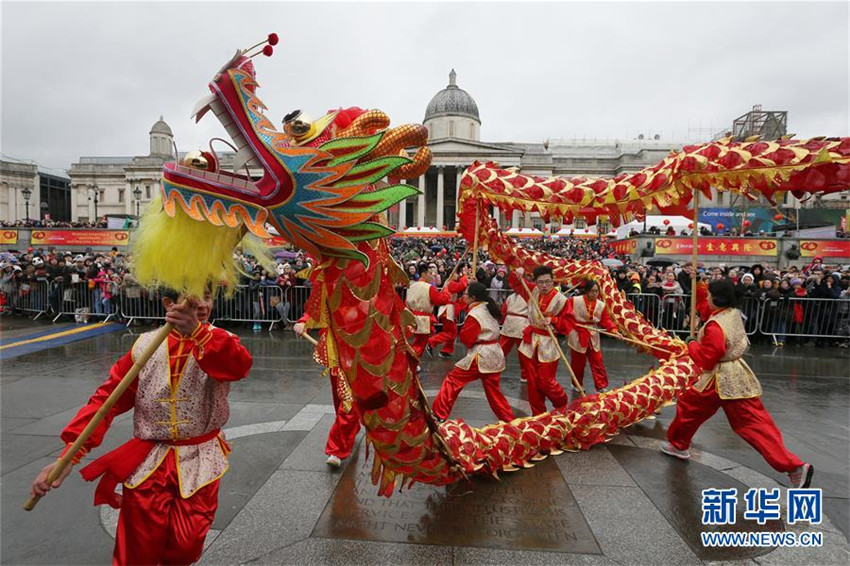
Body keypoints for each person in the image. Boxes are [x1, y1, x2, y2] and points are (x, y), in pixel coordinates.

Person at [30, 287, 253, 565]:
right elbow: (107, 401)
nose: (201, 304)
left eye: (206, 296)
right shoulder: (144, 346)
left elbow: (236, 366)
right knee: (139, 548)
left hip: (201, 460)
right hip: (150, 461)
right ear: (169, 304)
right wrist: (68, 456)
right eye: (190, 298)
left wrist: (197, 332)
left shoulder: (221, 341)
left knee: (186, 547)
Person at [661, 278, 813, 489]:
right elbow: (706, 308)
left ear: (716, 298)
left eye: (708, 295)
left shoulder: (715, 325)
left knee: (691, 408)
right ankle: (679, 444)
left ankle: (794, 467)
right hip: (737, 374)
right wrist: (696, 282)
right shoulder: (731, 313)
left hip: (717, 378)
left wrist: (692, 345)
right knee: (755, 422)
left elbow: (707, 357)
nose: (706, 298)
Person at [432, 282, 515, 423]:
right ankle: (510, 421)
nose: (463, 296)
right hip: (495, 353)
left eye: (465, 294)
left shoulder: (475, 314)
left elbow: (467, 338)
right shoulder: (489, 307)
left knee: (453, 380)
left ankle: (439, 413)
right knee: (494, 392)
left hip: (481, 354)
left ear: (473, 297)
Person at [507, 266, 570, 415]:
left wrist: (553, 319)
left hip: (548, 344)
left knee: (546, 381)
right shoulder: (531, 291)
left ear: (553, 281)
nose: (544, 286)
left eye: (548, 282)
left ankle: (561, 403)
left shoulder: (562, 300)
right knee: (532, 383)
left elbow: (568, 323)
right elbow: (515, 283)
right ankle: (538, 414)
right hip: (529, 343)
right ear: (535, 282)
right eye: (540, 282)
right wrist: (518, 274)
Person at [563, 279, 619, 393]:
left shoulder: (601, 305)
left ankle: (601, 385)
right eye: (592, 291)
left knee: (597, 360)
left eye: (597, 291)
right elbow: (566, 314)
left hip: (592, 333)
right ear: (587, 291)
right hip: (578, 333)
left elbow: (605, 320)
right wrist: (572, 324)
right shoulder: (574, 300)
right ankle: (576, 383)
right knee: (578, 362)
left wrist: (613, 329)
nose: (595, 294)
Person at [405, 273, 452, 358]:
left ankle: (411, 362)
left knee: (416, 341)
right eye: (430, 273)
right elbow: (441, 300)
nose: (432, 276)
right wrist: (446, 291)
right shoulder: (429, 287)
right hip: (423, 319)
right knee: (420, 344)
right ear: (424, 274)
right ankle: (411, 362)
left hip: (411, 317)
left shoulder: (411, 286)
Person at [427, 268, 468, 359]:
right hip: (447, 310)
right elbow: (461, 286)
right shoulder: (450, 283)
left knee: (452, 331)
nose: (458, 275)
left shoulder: (448, 282)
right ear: (453, 274)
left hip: (448, 310)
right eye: (457, 273)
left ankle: (446, 350)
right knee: (450, 332)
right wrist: (465, 276)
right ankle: (432, 342)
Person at [500, 289, 530, 383]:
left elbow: (503, 311)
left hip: (509, 324)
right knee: (523, 353)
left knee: (501, 350)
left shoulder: (510, 297)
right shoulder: (529, 297)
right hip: (522, 325)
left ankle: (491, 368)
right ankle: (525, 375)